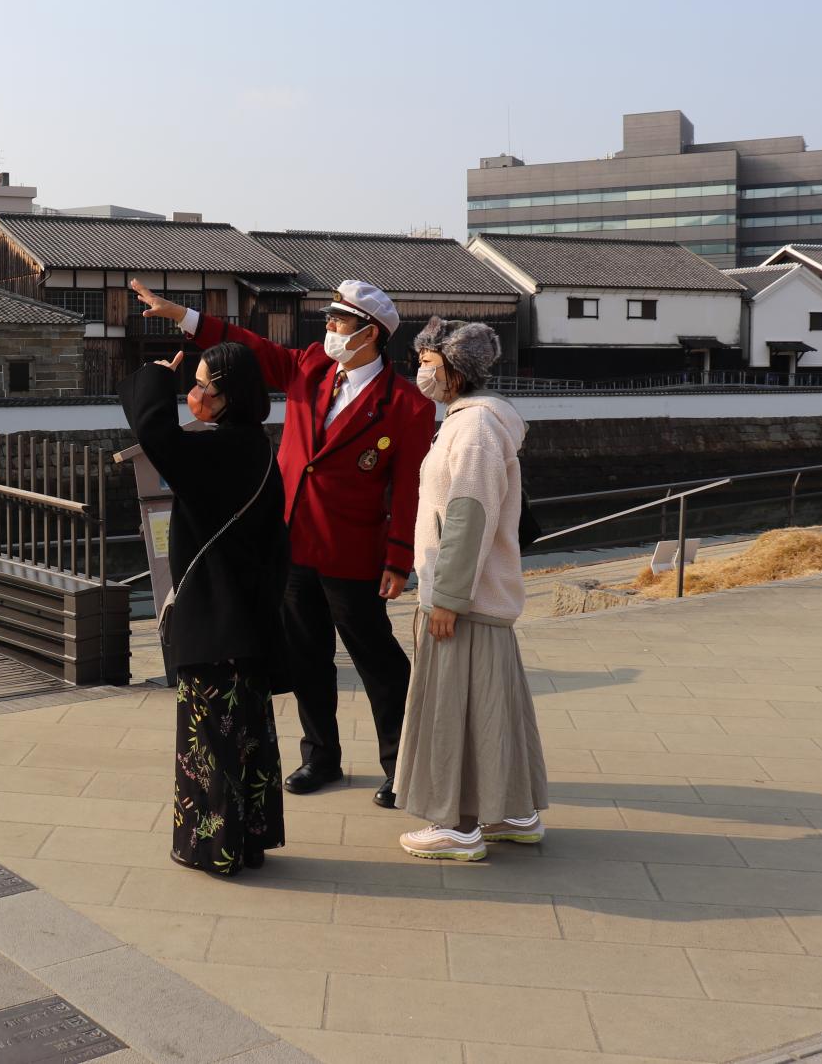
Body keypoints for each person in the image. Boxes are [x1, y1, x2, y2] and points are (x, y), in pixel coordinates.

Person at [134, 278, 435, 807]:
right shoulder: (311, 367)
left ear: (370, 334)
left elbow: (408, 485)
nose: (329, 329)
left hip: (353, 549)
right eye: (329, 320)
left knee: (378, 662)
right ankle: (321, 755)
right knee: (306, 657)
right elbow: (247, 346)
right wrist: (180, 314)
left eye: (339, 322)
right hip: (292, 542)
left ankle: (401, 763)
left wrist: (398, 558)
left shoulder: (405, 403)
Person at [119, 341, 289, 876]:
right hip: (249, 620)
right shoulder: (256, 447)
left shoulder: (216, 453)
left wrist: (153, 377)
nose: (192, 394)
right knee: (248, 738)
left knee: (208, 740)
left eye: (200, 386)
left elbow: (156, 436)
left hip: (214, 622)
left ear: (226, 397)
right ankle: (250, 840)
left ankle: (213, 849)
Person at [396, 317, 548, 861]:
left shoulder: (474, 428)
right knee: (493, 710)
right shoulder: (475, 422)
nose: (421, 372)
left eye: (428, 363)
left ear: (455, 371)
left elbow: (468, 515)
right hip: (483, 599)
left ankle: (456, 825)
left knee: (452, 713)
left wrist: (447, 599)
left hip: (464, 600)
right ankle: (513, 812)